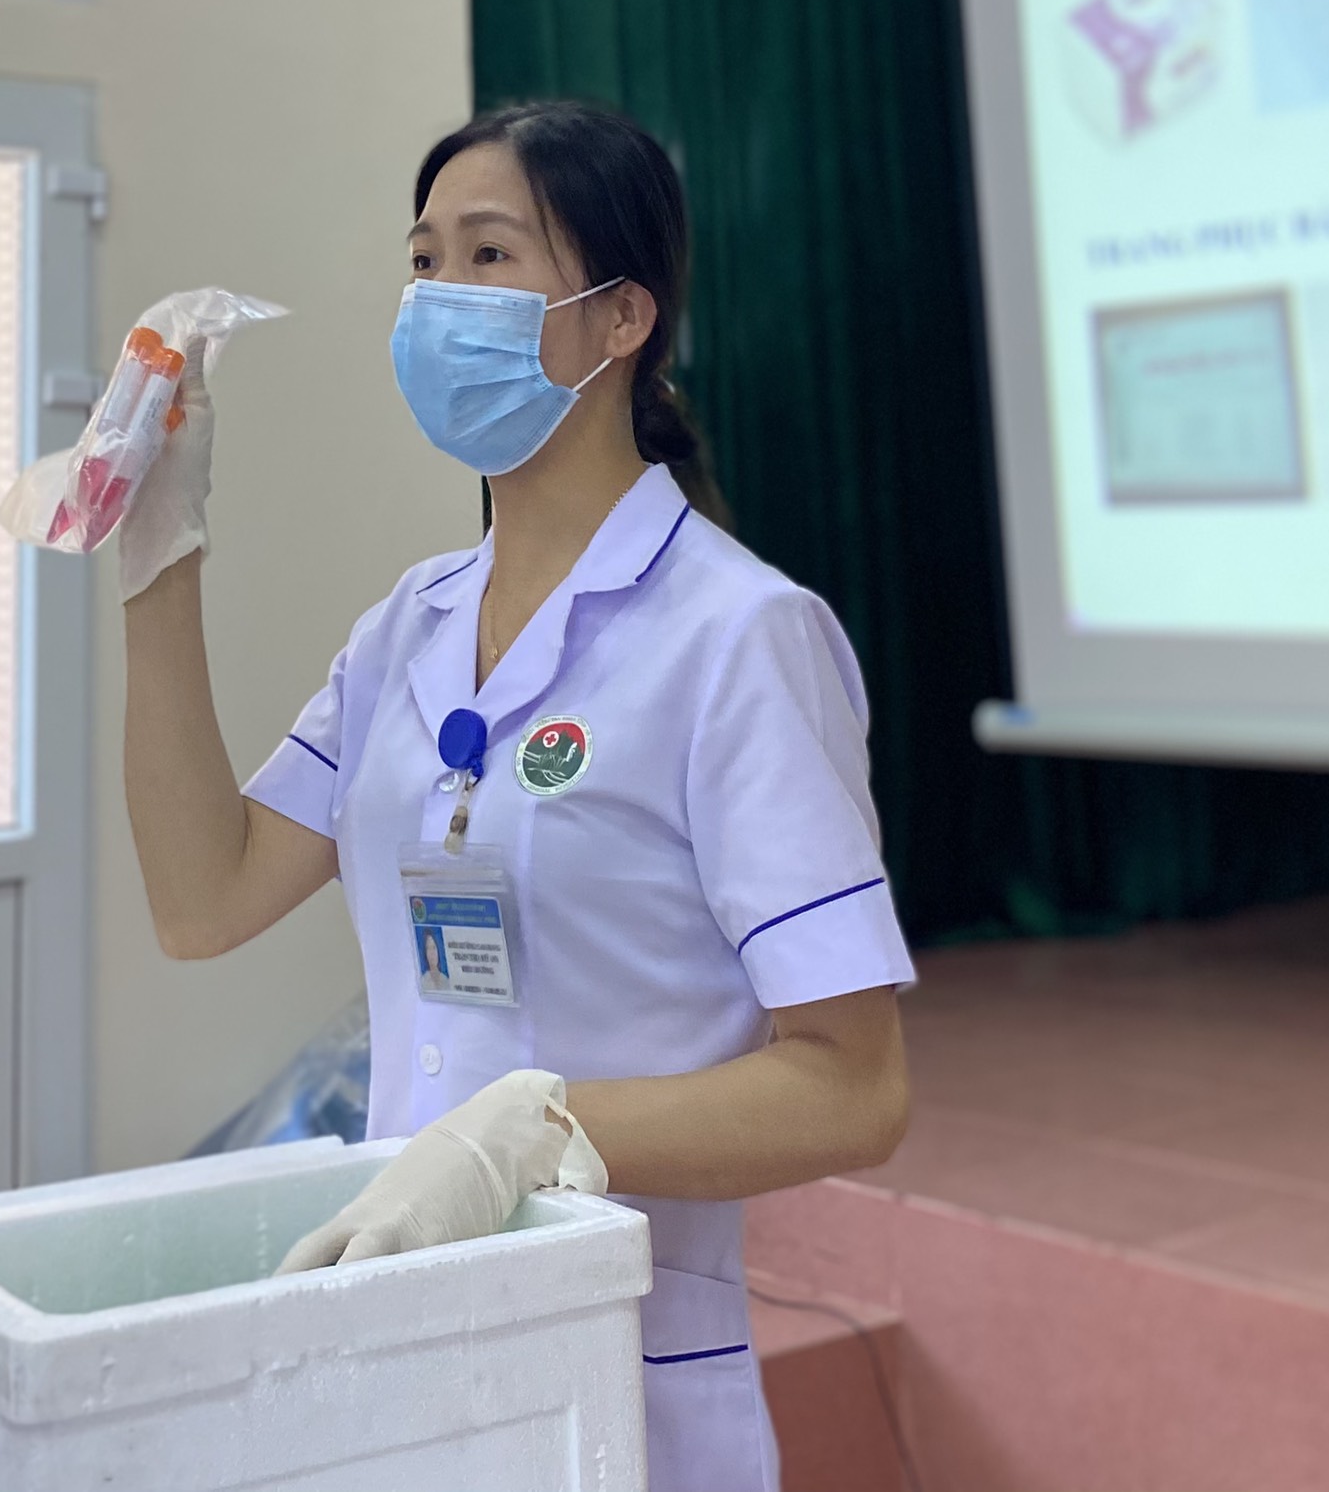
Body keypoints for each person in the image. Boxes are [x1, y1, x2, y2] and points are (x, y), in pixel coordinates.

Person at [117, 101, 913, 1492]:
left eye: (490, 255)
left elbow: (856, 1084)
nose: (440, 298)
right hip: (401, 1350)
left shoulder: (740, 636)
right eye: (423, 260)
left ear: (622, 319)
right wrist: (157, 562)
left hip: (620, 1363)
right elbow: (204, 898)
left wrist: (538, 1131)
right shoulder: (408, 627)